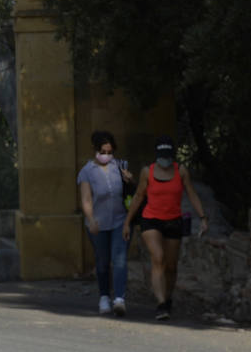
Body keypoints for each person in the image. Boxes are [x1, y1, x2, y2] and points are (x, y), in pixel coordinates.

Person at [123, 135, 209, 320]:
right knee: (158, 258)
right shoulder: (148, 171)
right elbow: (138, 196)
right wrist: (128, 221)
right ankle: (161, 303)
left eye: (168, 155)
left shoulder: (182, 171)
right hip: (150, 219)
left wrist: (202, 217)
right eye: (162, 155)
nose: (165, 159)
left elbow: (191, 194)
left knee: (171, 266)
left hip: (173, 220)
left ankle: (168, 299)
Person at [76, 130, 134, 317]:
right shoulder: (87, 172)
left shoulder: (120, 166)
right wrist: (91, 220)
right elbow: (86, 199)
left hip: (119, 221)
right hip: (98, 223)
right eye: (103, 151)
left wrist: (129, 180)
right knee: (102, 261)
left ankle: (119, 298)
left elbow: (131, 193)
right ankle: (103, 296)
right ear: (95, 149)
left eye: (110, 152)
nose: (106, 155)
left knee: (119, 259)